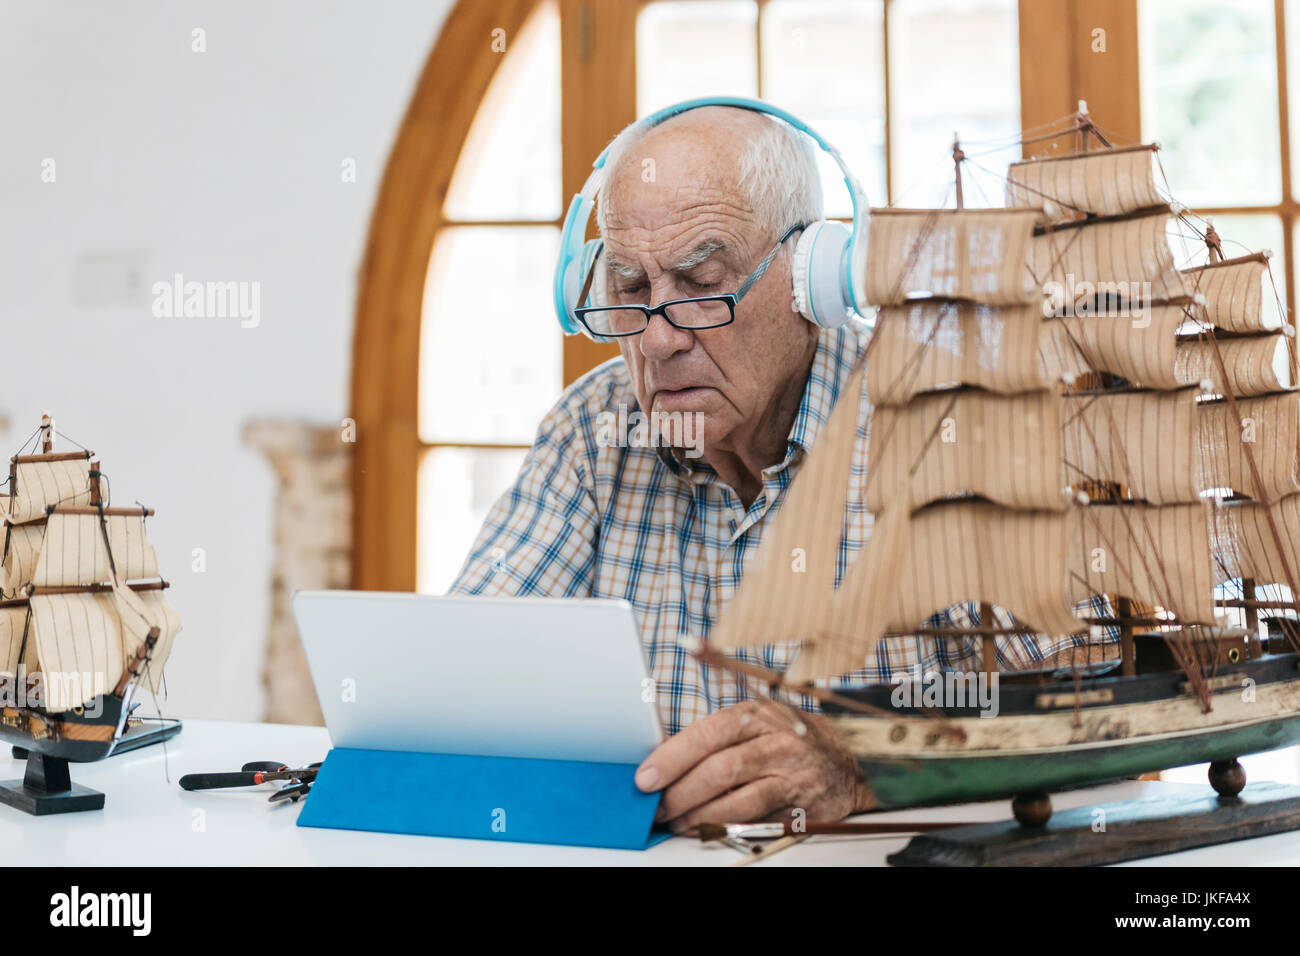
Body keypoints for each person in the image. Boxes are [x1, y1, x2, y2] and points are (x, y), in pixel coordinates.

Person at [450, 104, 1107, 833]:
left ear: (814, 279)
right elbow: (464, 687)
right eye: (633, 290)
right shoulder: (595, 429)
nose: (659, 340)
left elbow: (1101, 714)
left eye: (702, 283)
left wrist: (866, 762)